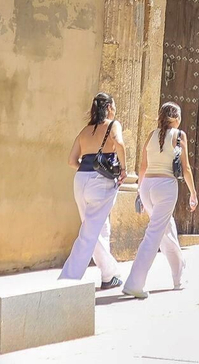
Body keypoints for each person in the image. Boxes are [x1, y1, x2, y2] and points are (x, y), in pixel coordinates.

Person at [122, 100, 198, 299]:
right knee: (154, 234)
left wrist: (140, 191)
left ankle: (178, 276)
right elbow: (186, 168)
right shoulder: (180, 135)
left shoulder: (151, 135)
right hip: (165, 187)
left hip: (147, 186)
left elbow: (143, 166)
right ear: (177, 118)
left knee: (167, 230)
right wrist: (193, 193)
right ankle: (134, 282)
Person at [58, 92, 125, 290]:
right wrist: (124, 168)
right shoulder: (113, 125)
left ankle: (109, 274)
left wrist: (88, 166)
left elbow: (72, 161)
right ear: (110, 107)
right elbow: (119, 144)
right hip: (101, 182)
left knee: (98, 227)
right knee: (89, 232)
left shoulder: (84, 130)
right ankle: (68, 279)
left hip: (81, 180)